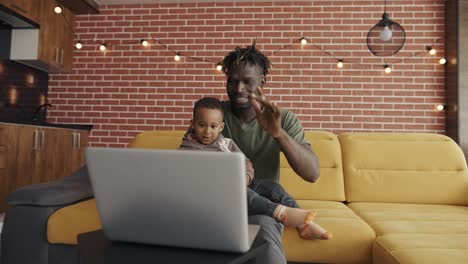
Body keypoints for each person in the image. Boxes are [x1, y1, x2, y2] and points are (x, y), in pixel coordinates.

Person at [218, 42, 329, 264]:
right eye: (232, 81)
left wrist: (278, 134)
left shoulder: (283, 118)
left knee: (265, 232)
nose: (238, 89)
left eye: (247, 82)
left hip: (264, 205)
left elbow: (312, 173)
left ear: (262, 82)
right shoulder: (213, 114)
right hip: (219, 201)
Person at [179, 97, 331, 241]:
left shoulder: (226, 143)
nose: (207, 132)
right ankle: (279, 212)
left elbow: (246, 163)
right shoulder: (186, 149)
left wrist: (246, 177)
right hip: (215, 194)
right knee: (245, 193)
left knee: (273, 188)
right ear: (192, 124)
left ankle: (305, 225)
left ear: (221, 127)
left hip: (238, 183)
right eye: (201, 125)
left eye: (213, 126)